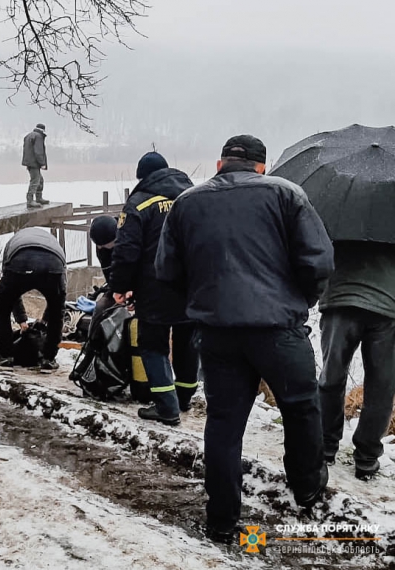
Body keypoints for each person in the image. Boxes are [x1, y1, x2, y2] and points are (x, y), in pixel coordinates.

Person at [155, 135, 334, 543]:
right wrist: (301, 299)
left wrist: (202, 303)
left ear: (220, 165)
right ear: (261, 167)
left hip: (217, 333)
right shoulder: (287, 195)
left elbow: (167, 270)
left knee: (223, 422)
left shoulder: (187, 203)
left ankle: (221, 518)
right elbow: (319, 260)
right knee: (301, 407)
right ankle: (306, 487)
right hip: (278, 329)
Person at [110, 152, 197, 426]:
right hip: (193, 284)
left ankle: (166, 406)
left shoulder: (139, 202)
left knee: (152, 345)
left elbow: (126, 250)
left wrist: (120, 286)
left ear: (142, 177)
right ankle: (184, 398)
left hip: (155, 285)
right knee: (187, 341)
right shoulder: (193, 196)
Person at [319, 241, 395, 481]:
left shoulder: (340, 209)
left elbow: (316, 247)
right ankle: (367, 457)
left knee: (331, 377)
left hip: (340, 299)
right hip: (387, 305)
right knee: (382, 386)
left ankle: (324, 446)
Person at [0, 227, 66, 370]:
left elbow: (11, 293)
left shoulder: (13, 242)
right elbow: (58, 299)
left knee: (1, 303)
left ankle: (5, 356)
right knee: (57, 309)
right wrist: (44, 320)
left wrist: (21, 320)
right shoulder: (53, 242)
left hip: (21, 261)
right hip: (53, 263)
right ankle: (49, 359)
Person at [22, 123, 48, 208]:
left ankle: (38, 198)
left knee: (40, 180)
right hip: (34, 163)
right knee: (35, 181)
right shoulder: (38, 137)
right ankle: (30, 201)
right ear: (43, 130)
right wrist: (42, 163)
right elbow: (38, 151)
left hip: (29, 162)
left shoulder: (28, 136)